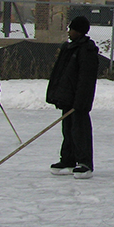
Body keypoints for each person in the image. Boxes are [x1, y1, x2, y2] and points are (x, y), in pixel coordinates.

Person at [46, 16, 99, 178]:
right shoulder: (69, 48)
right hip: (67, 98)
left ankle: (84, 162)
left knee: (80, 130)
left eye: (72, 29)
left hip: (79, 101)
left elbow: (86, 79)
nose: (69, 32)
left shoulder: (86, 50)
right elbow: (60, 74)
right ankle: (68, 158)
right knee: (68, 130)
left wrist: (81, 101)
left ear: (79, 31)